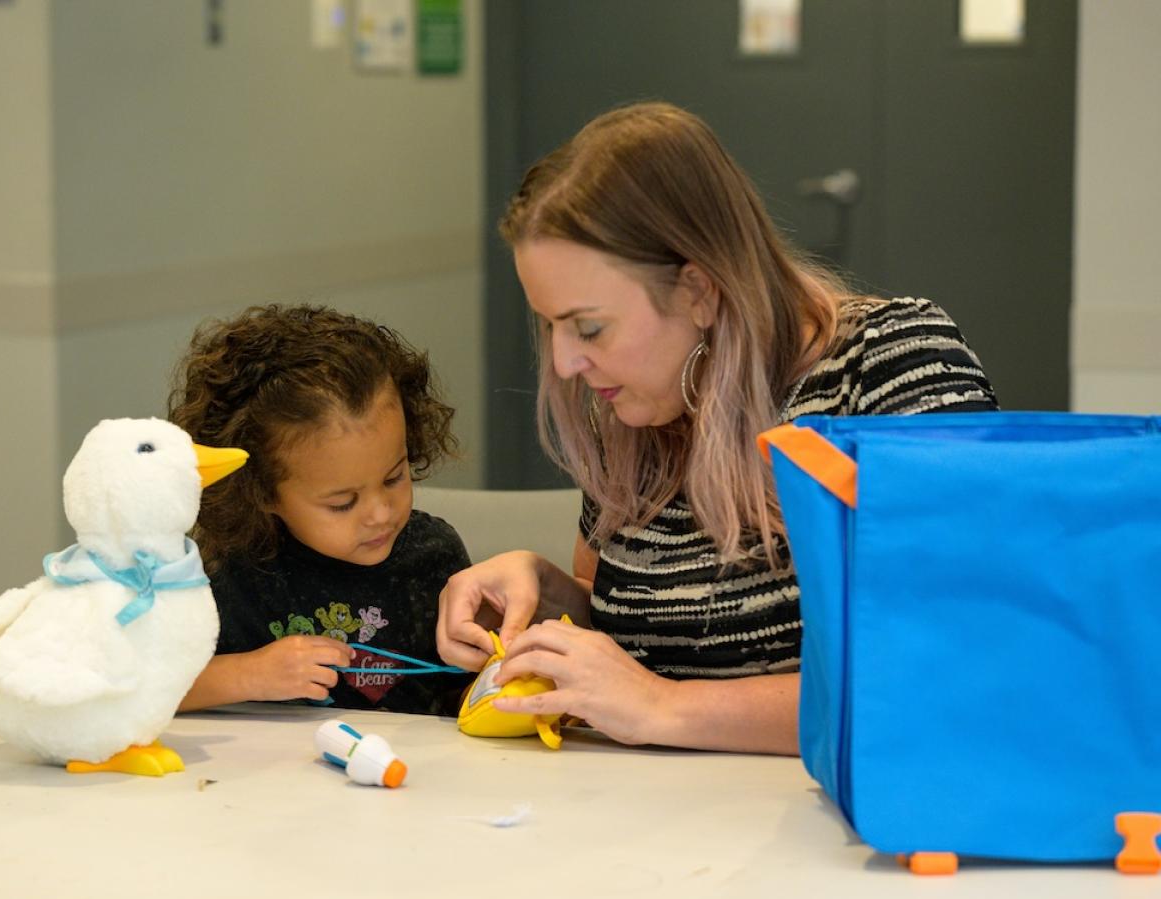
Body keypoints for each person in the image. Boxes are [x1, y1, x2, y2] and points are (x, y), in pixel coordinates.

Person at [436, 101, 998, 753]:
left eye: (588, 327)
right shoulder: (640, 403)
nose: (563, 362)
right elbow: (649, 630)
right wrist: (551, 595)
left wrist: (667, 708)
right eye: (550, 325)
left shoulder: (892, 364)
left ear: (699, 291)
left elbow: (951, 666)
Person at [170, 303, 471, 716]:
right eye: (342, 503)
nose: (381, 514)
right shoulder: (227, 576)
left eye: (394, 477)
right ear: (258, 491)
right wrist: (248, 674)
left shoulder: (432, 556)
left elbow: (463, 694)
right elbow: (137, 692)